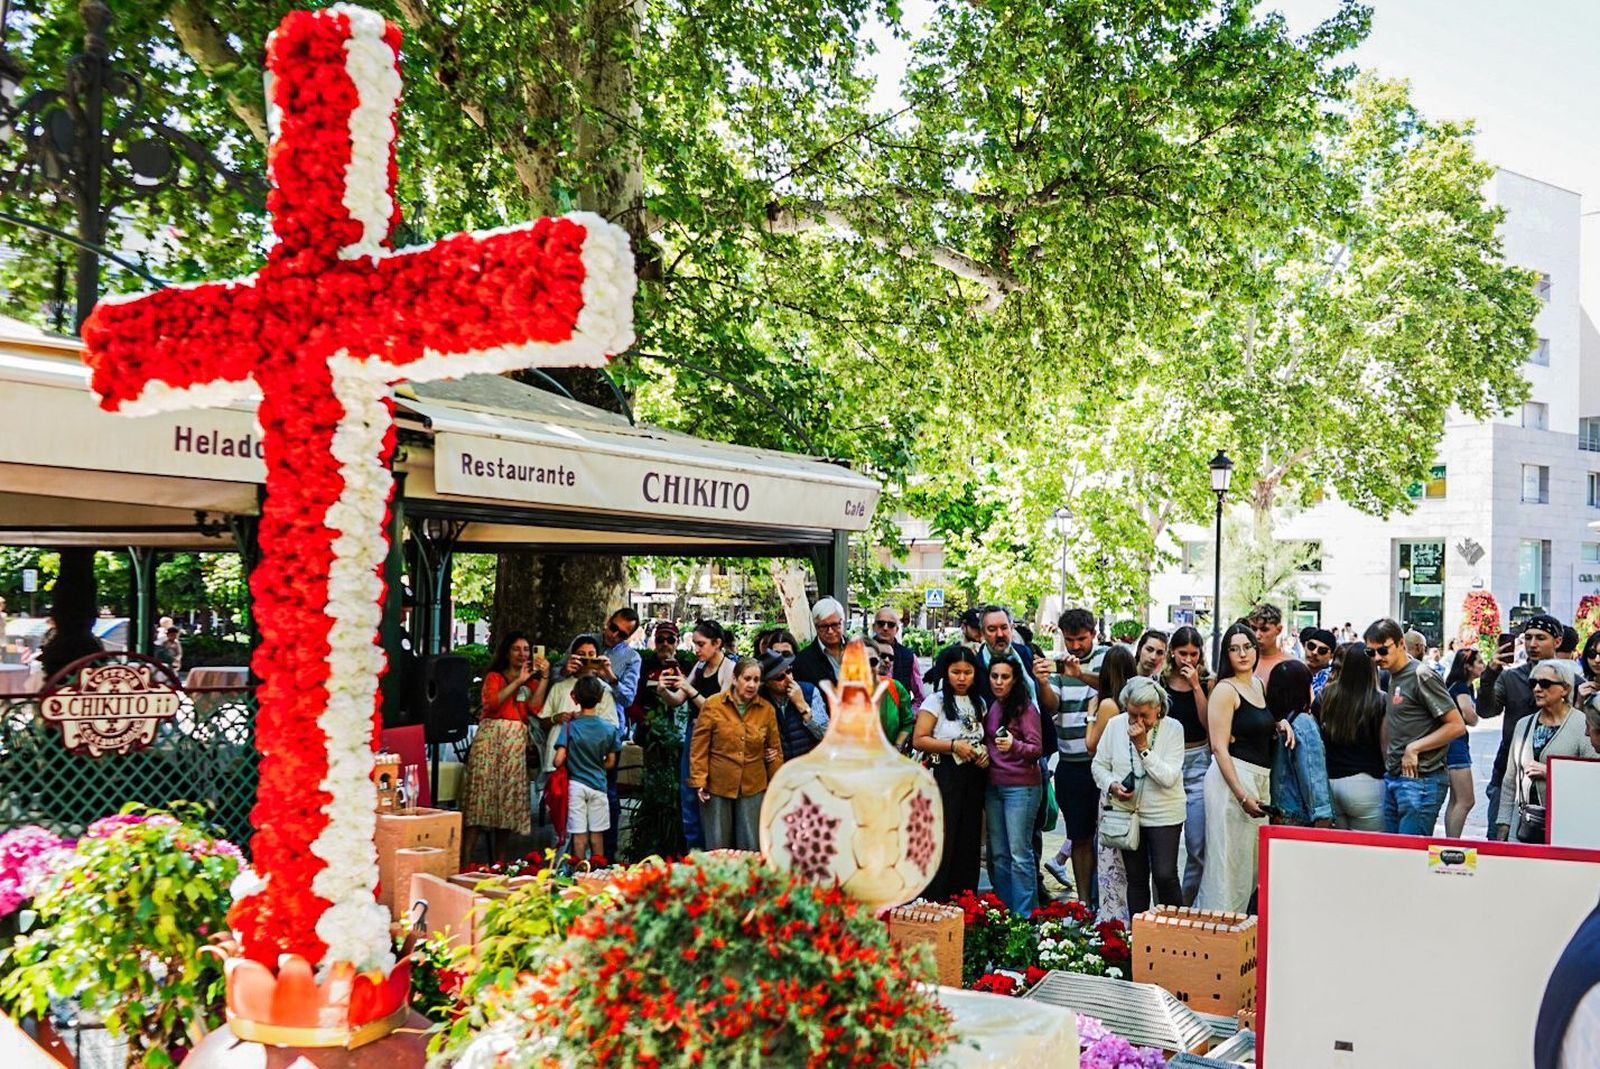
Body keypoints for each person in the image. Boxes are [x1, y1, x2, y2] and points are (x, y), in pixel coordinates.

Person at [1197, 623, 1275, 912]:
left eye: (1248, 646)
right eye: (1234, 648)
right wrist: (1241, 794)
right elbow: (1218, 747)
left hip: (1258, 778)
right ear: (1225, 654)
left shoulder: (1258, 685)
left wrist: (1280, 724)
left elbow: (1257, 724)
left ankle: (1239, 932)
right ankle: (1217, 931)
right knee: (1227, 868)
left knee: (1249, 868)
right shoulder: (1224, 690)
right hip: (1232, 780)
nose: (1242, 654)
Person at [1092, 676, 1185, 915]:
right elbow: (1099, 766)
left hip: (1165, 813)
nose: (1138, 721)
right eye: (1133, 714)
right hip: (1126, 812)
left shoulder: (1174, 729)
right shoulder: (1115, 725)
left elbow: (1168, 777)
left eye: (1145, 715)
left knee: (1165, 875)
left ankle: (1175, 932)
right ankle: (1139, 937)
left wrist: (1143, 747)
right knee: (1136, 878)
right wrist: (1112, 785)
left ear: (1158, 709)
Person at [1366, 617, 1466, 836]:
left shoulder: (1421, 674)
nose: (1377, 658)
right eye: (1370, 653)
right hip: (1397, 778)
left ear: (1401, 644)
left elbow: (1457, 726)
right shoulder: (1393, 675)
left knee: (1409, 859)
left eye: (1382, 650)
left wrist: (1415, 748)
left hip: (1422, 781)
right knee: (1396, 857)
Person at [462, 631, 550, 863]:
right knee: (480, 800)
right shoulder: (494, 676)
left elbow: (535, 707)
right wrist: (518, 682)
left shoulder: (531, 680)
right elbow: (491, 703)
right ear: (506, 652)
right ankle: (465, 860)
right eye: (516, 649)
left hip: (514, 743)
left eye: (526, 649)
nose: (522, 654)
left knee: (507, 803)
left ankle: (499, 862)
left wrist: (544, 678)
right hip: (490, 739)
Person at [912, 646, 989, 901]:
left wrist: (984, 754)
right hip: (943, 775)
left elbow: (984, 737)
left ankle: (965, 901)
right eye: (956, 672)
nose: (962, 678)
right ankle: (934, 900)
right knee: (942, 837)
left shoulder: (979, 703)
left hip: (973, 777)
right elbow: (919, 739)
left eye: (968, 672)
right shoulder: (936, 701)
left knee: (968, 840)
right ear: (946, 672)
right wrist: (953, 746)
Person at [1040, 607, 1106, 900]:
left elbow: (1115, 687)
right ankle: (1084, 901)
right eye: (1070, 640)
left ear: (1093, 633)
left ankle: (1107, 901)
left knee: (1109, 839)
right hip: (1070, 764)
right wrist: (1042, 682)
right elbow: (1052, 705)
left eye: (1081, 639)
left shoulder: (1107, 657)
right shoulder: (1059, 663)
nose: (1076, 646)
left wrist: (1082, 675)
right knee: (1078, 836)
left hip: (1103, 764)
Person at [1493, 662, 1597, 842]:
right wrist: (1503, 826)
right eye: (1533, 683)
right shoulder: (1523, 724)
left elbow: (1593, 780)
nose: (1537, 688)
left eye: (1545, 683)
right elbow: (1511, 780)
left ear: (1564, 689)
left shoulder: (1582, 724)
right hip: (1524, 826)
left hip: (1566, 826)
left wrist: (1552, 773)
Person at [688, 656, 782, 852]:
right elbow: (699, 747)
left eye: (756, 680)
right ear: (735, 678)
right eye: (747, 678)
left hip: (753, 784)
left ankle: (750, 882)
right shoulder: (713, 705)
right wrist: (699, 780)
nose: (751, 684)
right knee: (717, 845)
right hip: (718, 784)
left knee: (751, 846)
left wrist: (776, 786)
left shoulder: (766, 710)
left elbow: (775, 750)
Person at [658, 620, 738, 850]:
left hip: (716, 739)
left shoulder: (728, 668)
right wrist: (664, 689)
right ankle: (694, 853)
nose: (697, 649)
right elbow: (677, 701)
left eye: (701, 644)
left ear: (717, 643)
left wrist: (688, 687)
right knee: (688, 796)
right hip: (695, 734)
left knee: (709, 796)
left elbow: (719, 710)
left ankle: (714, 854)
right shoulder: (700, 667)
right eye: (694, 644)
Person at [1482, 614, 1563, 825]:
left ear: (1557, 641)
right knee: (1499, 841)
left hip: (1554, 777)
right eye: (1528, 638)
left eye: (1540, 638)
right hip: (1508, 772)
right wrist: (1490, 674)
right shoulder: (1510, 677)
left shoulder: (1570, 680)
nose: (1532, 644)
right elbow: (1486, 711)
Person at [983, 658, 1043, 916]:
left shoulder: (1025, 708)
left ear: (1015, 679)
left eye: (1004, 677)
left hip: (1021, 787)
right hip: (994, 785)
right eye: (994, 676)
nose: (998, 682)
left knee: (1019, 854)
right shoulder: (994, 705)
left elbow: (1037, 749)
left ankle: (1025, 917)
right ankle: (1005, 914)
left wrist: (1015, 746)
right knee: (998, 855)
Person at [1086, 644, 1137, 921]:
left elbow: (1091, 745)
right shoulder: (1132, 704)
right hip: (1129, 784)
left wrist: (1090, 715)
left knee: (1108, 855)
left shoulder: (1107, 704)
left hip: (1109, 784)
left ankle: (1111, 916)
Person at [1161, 625, 1212, 903]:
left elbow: (1208, 724)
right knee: (1163, 849)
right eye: (1183, 654)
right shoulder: (1161, 680)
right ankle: (1166, 905)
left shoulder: (1207, 681)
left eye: (1193, 654)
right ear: (1173, 652)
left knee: (1197, 845)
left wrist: (1195, 686)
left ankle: (1186, 902)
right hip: (1168, 763)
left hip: (1197, 762)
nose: (1188, 660)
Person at [1314, 642, 1387, 832]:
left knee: (1339, 853)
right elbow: (1385, 746)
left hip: (1331, 781)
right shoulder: (1380, 701)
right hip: (1367, 783)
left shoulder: (1326, 695)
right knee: (1368, 853)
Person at [554, 675, 621, 864]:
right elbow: (610, 763)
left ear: (574, 698)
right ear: (601, 698)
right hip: (599, 785)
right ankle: (597, 872)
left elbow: (558, 760)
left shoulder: (569, 727)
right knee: (597, 836)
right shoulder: (609, 729)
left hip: (575, 785)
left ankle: (578, 875)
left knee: (579, 836)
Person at [1266, 660, 1332, 826]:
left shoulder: (1271, 721)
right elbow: (1312, 772)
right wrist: (1323, 815)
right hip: (1299, 817)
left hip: (1276, 812)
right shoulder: (1303, 722)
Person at [1442, 648, 1485, 838]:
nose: (1483, 666)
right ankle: (1453, 843)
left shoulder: (1460, 686)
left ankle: (1450, 841)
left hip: (1452, 744)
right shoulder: (1460, 687)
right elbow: (1470, 716)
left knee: (1456, 800)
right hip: (1456, 746)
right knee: (1466, 800)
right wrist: (1474, 718)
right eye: (1479, 662)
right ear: (1467, 666)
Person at [761, 649, 827, 760]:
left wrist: (802, 705)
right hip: (782, 770)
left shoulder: (809, 691)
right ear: (768, 683)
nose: (789, 679)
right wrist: (763, 751)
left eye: (789, 671)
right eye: (780, 677)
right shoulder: (761, 699)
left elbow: (825, 734)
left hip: (810, 765)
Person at [872, 606, 926, 703]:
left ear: (896, 630)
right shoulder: (860, 652)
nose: (885, 628)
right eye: (881, 623)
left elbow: (920, 698)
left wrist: (907, 715)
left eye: (891, 625)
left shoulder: (909, 657)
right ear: (874, 627)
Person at [870, 638, 915, 749]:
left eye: (891, 658)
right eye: (882, 655)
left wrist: (897, 746)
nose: (887, 660)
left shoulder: (895, 687)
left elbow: (908, 722)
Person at [793, 597, 847, 688]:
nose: (830, 631)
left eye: (834, 625)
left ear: (842, 622)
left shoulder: (860, 650)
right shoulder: (803, 661)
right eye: (824, 626)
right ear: (816, 627)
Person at [1250, 603, 1292, 683]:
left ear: (1279, 630)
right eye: (1254, 629)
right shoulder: (1242, 662)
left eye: (1264, 630)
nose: (1257, 635)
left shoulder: (1291, 664)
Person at [1303, 628, 1337, 698]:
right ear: (1305, 645)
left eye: (1322, 650)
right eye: (1311, 646)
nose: (1314, 652)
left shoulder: (1333, 681)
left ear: (1331, 656)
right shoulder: (1294, 671)